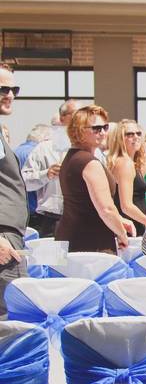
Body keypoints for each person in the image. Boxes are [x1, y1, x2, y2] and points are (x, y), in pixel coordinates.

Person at [55, 106, 133, 254]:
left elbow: (86, 204)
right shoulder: (89, 163)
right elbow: (106, 209)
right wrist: (122, 234)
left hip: (68, 240)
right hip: (91, 247)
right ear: (78, 130)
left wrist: (119, 221)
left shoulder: (71, 158)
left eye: (105, 127)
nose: (103, 132)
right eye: (96, 128)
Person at [21, 99, 76, 237]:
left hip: (84, 218)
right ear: (63, 118)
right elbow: (24, 182)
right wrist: (46, 174)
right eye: (76, 113)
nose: (82, 118)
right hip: (52, 220)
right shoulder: (45, 148)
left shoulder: (93, 149)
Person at [0, 64, 30, 318]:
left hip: (9, 235)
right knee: (10, 320)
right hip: (3, 238)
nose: (9, 95)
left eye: (13, 89)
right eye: (2, 89)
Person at [106, 119, 146, 236]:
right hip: (130, 229)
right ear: (120, 139)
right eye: (129, 134)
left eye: (138, 133)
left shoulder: (131, 162)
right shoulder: (125, 163)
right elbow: (126, 206)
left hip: (135, 225)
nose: (135, 137)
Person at [15, 124, 51, 228]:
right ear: (45, 139)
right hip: (34, 211)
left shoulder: (15, 151)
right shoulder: (36, 153)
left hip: (18, 210)